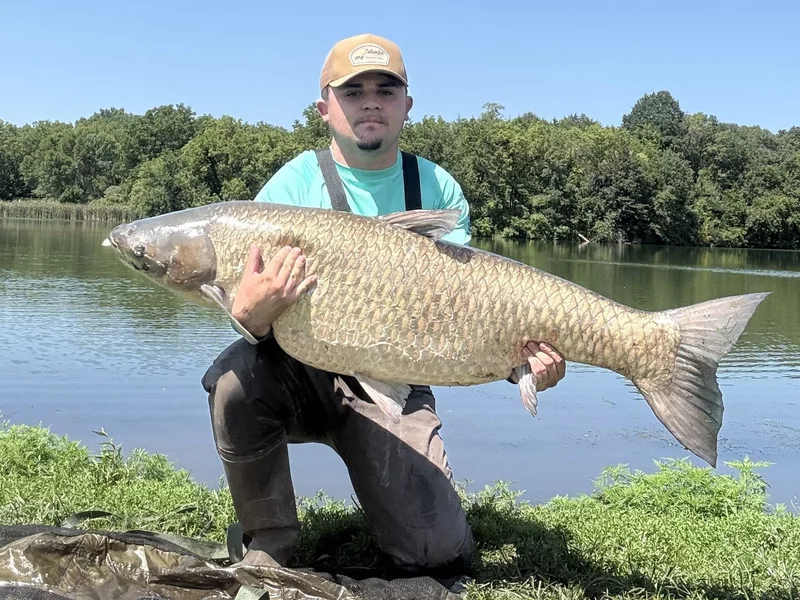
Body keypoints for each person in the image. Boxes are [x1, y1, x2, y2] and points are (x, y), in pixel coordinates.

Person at [201, 33, 566, 573]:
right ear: (325, 108)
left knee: (433, 551)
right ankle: (270, 538)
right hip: (297, 369)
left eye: (385, 89)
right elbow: (253, 318)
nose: (370, 101)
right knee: (233, 380)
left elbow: (462, 314)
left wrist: (522, 363)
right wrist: (250, 315)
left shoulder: (436, 188)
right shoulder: (291, 186)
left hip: (394, 377)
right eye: (353, 91)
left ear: (407, 106)